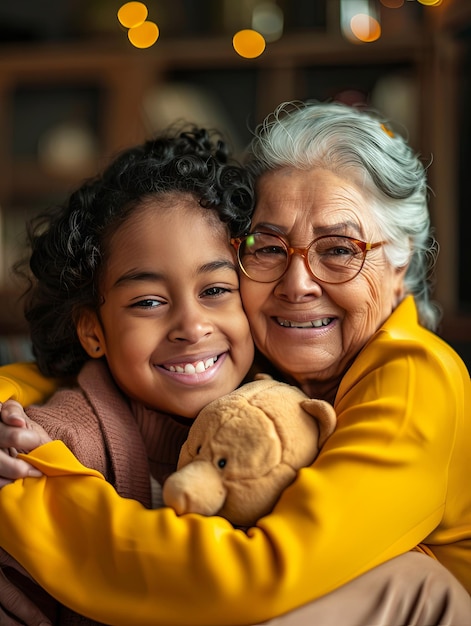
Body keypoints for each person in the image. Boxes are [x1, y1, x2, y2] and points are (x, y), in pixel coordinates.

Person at [0, 100, 470, 626]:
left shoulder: (413, 379)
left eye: (339, 250)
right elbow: (55, 381)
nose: (297, 284)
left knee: (413, 582)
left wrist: (28, 504)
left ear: (400, 257)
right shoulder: (262, 365)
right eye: (268, 248)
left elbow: (253, 575)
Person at [0, 125, 256, 626]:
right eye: (148, 302)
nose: (191, 325)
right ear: (93, 331)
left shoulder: (291, 411)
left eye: (216, 290)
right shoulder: (57, 445)